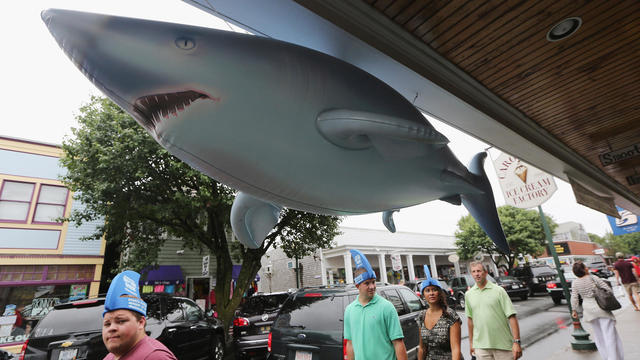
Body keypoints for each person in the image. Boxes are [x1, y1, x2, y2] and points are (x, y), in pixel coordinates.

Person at [344, 249, 408, 360]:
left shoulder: (386, 307)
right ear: (357, 285)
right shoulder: (349, 310)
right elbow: (350, 343)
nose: (372, 286)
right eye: (367, 283)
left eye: (373, 282)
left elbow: (398, 343)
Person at [102, 270, 177, 360]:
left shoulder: (155, 357)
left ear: (140, 322)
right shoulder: (110, 357)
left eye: (121, 321)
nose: (111, 328)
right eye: (107, 324)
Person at [465, 261, 522, 360]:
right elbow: (470, 321)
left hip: (503, 345)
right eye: (474, 272)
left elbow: (512, 316)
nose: (476, 274)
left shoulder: (499, 291)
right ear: (471, 274)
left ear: (485, 273)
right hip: (481, 347)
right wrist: (471, 343)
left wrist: (516, 342)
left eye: (479, 271)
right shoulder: (469, 294)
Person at [570, 261, 623, 360]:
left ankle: (605, 357)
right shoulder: (593, 277)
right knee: (609, 335)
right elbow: (608, 290)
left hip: (589, 311)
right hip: (601, 307)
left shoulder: (575, 282)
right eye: (585, 266)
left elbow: (574, 297)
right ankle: (614, 358)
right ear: (584, 269)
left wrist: (574, 310)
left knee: (599, 337)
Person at [417, 265, 461, 360]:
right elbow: (422, 348)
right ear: (423, 295)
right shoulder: (421, 316)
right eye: (428, 290)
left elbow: (456, 349)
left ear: (439, 293)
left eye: (434, 290)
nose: (431, 293)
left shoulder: (450, 315)